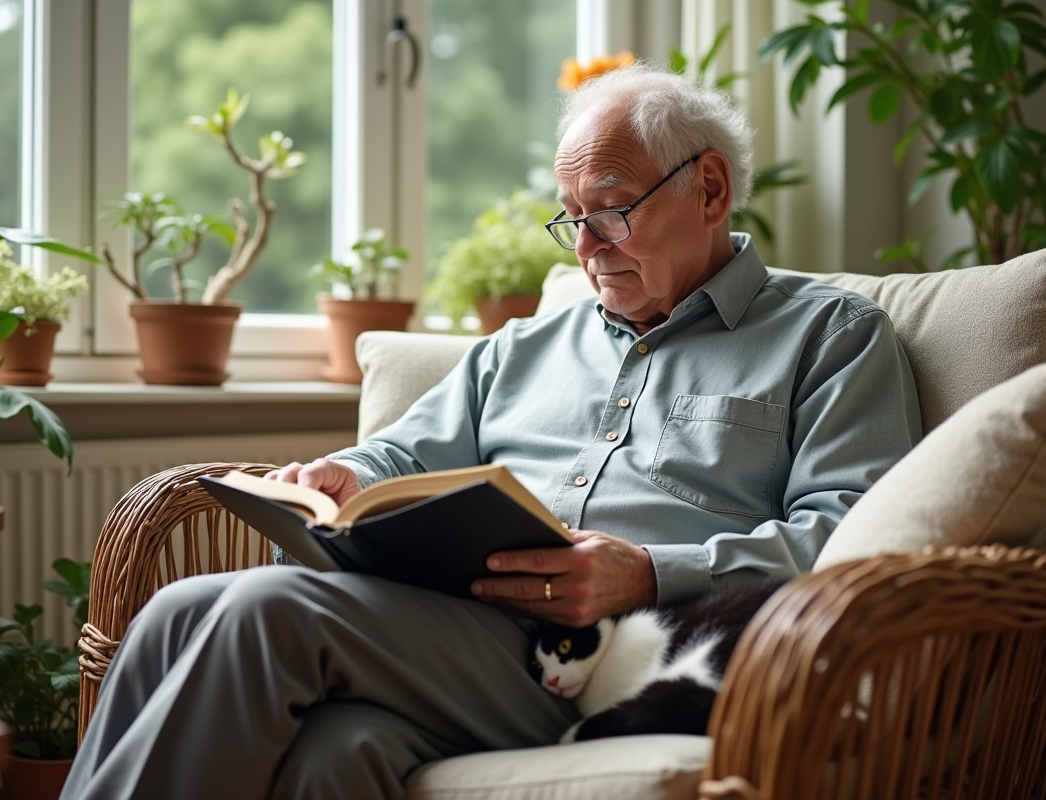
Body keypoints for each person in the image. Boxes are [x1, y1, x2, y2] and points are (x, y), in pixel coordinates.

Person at [61, 64, 921, 800]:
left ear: (710, 188)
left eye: (611, 210)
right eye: (571, 217)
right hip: (461, 630)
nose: (586, 247)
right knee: (226, 654)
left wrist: (651, 571)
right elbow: (400, 454)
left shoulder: (830, 335)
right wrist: (346, 476)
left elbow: (859, 541)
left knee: (263, 612)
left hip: (636, 659)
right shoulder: (520, 348)